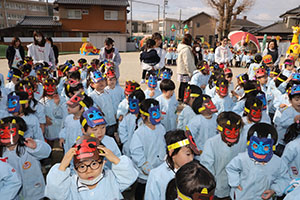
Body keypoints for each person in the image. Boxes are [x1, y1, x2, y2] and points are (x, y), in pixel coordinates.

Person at [45, 135, 138, 200]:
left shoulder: (112, 179)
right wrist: (62, 166)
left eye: (94, 164)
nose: (89, 171)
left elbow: (129, 176)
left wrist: (115, 159)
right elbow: (54, 193)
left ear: (103, 163)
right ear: (75, 169)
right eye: (82, 166)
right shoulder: (69, 185)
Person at [226, 123, 290, 200]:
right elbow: (231, 168)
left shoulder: (278, 163)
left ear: (273, 146)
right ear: (249, 143)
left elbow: (284, 178)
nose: (260, 151)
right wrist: (235, 183)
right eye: (255, 146)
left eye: (265, 147)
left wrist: (274, 190)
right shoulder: (242, 158)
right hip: (243, 196)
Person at [0, 116, 51, 200]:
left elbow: (46, 152)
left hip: (34, 192)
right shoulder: (2, 154)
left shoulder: (28, 147)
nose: (5, 135)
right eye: (2, 132)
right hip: (12, 195)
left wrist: (35, 147)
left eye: (11, 131)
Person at [145, 129, 200, 200]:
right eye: (188, 154)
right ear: (172, 153)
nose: (191, 159)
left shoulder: (195, 172)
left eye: (193, 154)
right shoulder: (157, 176)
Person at [200, 111, 244, 199]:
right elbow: (207, 168)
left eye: (236, 132)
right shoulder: (211, 144)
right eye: (228, 132)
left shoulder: (243, 141)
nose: (232, 136)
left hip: (238, 189)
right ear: (219, 130)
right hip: (217, 190)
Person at [130, 98, 166, 200]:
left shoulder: (161, 128)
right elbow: (136, 151)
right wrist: (142, 164)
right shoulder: (139, 133)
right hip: (145, 170)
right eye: (153, 114)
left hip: (159, 165)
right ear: (143, 116)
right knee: (142, 189)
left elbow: (163, 144)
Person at [88, 69, 117, 137]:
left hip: (112, 122)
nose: (101, 83)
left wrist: (115, 115)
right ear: (92, 84)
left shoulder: (108, 92)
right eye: (98, 82)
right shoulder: (91, 97)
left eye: (102, 81)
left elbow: (113, 105)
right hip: (102, 125)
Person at [274, 84, 300, 156]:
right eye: (296, 99)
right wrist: (293, 120)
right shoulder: (288, 111)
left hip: (295, 143)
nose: (299, 102)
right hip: (283, 144)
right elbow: (283, 122)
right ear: (290, 101)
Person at [118, 90, 145, 156]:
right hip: (128, 148)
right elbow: (121, 129)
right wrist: (125, 141)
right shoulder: (127, 117)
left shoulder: (146, 119)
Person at [177, 34, 197, 102]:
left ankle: (180, 97)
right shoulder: (186, 49)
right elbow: (187, 62)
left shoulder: (182, 48)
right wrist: (190, 72)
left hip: (182, 70)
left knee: (182, 84)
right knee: (185, 86)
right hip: (185, 71)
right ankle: (182, 98)